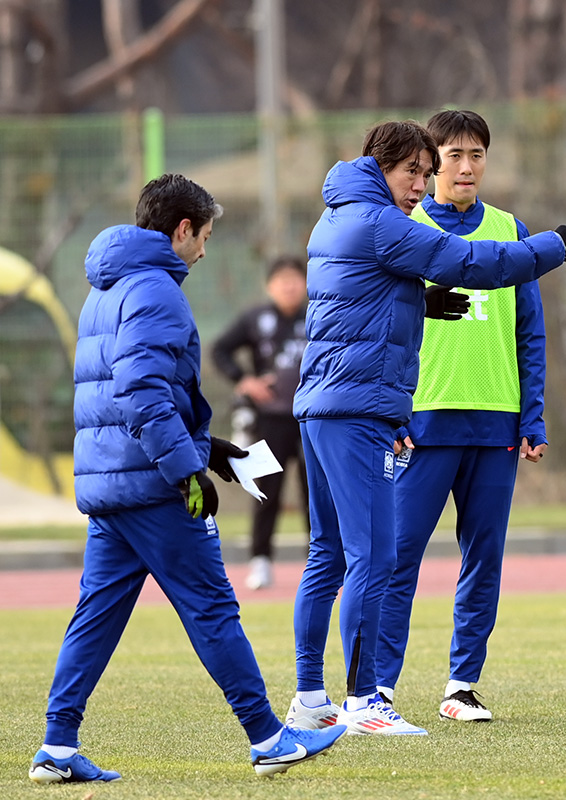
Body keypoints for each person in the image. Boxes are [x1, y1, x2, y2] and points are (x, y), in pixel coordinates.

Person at [29, 174, 345, 785]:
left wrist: (212, 450)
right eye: (204, 236)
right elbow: (141, 392)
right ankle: (269, 738)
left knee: (96, 615)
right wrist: (186, 471)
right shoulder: (157, 288)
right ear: (182, 229)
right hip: (155, 486)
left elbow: (131, 394)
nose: (203, 249)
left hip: (114, 483)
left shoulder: (106, 287)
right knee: (212, 607)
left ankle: (58, 746)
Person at [286, 120, 566, 737]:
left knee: (329, 555)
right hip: (361, 413)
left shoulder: (334, 216)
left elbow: (356, 300)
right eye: (414, 171)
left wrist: (417, 305)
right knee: (377, 557)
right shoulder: (382, 221)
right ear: (380, 165)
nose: (421, 184)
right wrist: (551, 246)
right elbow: (469, 262)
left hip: (324, 406)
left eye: (426, 173)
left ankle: (311, 697)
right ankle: (365, 701)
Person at [373, 110, 549, 724]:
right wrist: (391, 412)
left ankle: (462, 686)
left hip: (496, 423)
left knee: (484, 557)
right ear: (431, 162)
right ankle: (377, 691)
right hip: (421, 425)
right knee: (398, 558)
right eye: (453, 155)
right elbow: (385, 329)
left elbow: (530, 331)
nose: (466, 167)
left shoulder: (509, 229)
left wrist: (533, 417)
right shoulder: (403, 226)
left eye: (477, 154)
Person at [211, 255, 311, 590]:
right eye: (282, 280)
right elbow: (219, 350)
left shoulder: (317, 315)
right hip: (270, 420)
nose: (289, 286)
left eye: (295, 279)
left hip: (311, 419)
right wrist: (244, 380)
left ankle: (320, 562)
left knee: (316, 492)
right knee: (267, 491)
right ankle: (261, 561)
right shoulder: (256, 318)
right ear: (269, 286)